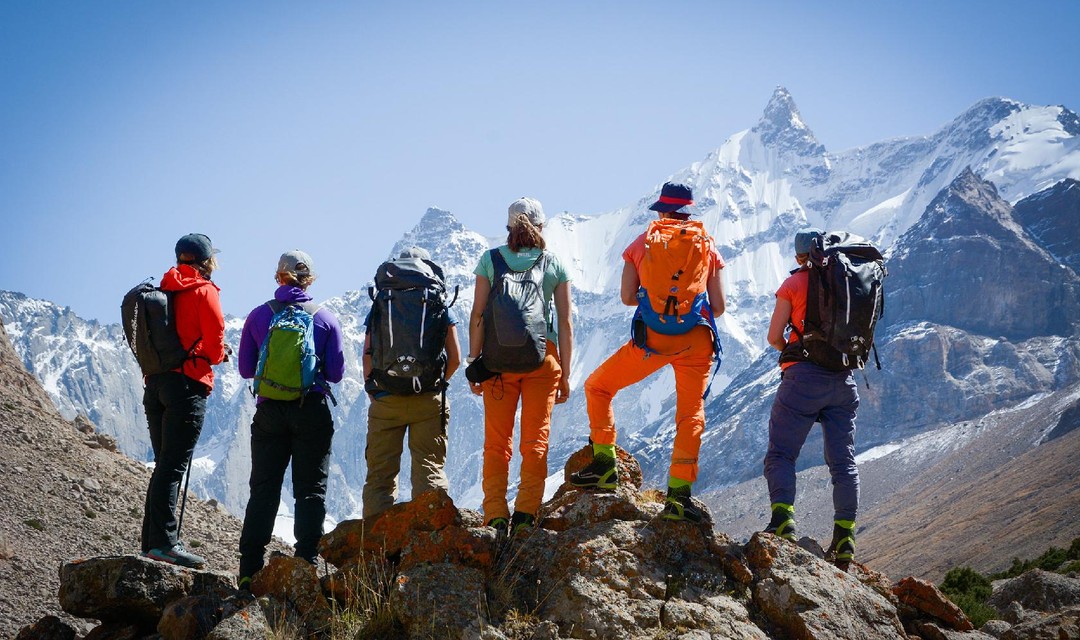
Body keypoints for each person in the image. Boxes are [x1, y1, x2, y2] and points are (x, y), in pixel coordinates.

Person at [570, 182, 725, 523]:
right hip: (696, 340)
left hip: (653, 340)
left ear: (661, 211)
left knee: (598, 387)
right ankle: (679, 498)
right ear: (689, 210)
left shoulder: (643, 243)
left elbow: (627, 297)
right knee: (690, 416)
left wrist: (651, 299)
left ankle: (606, 467)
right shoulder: (707, 246)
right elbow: (719, 306)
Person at [236, 250, 345, 588]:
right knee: (310, 489)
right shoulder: (325, 318)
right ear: (309, 280)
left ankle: (249, 571)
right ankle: (307, 562)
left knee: (264, 489)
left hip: (269, 413)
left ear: (278, 276)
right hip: (310, 409)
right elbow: (337, 373)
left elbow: (244, 369)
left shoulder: (258, 316)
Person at [467, 197, 573, 535]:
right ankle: (526, 516)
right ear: (541, 227)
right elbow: (566, 322)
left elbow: (477, 316)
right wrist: (566, 374)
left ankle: (496, 515)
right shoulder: (552, 263)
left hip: (498, 365)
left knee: (497, 444)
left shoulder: (490, 260)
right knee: (535, 442)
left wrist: (475, 363)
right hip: (543, 361)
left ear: (509, 227)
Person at [762, 228, 860, 570]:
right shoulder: (846, 280)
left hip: (803, 378)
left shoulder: (793, 285)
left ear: (798, 255)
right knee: (843, 463)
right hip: (843, 380)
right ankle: (845, 536)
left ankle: (783, 521)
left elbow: (775, 336)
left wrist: (792, 347)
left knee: (781, 453)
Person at [141, 233, 227, 568]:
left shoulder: (163, 289)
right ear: (207, 260)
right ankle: (164, 544)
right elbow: (216, 339)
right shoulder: (204, 290)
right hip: (187, 385)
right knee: (173, 466)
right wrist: (216, 356)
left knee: (164, 464)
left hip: (156, 384)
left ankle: (151, 542)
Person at [361, 247, 462, 519]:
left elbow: (368, 353)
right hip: (428, 399)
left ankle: (374, 550)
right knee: (429, 470)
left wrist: (375, 390)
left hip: (386, 400)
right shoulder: (434, 300)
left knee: (380, 477)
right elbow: (455, 357)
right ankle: (430, 544)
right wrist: (435, 384)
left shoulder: (383, 300)